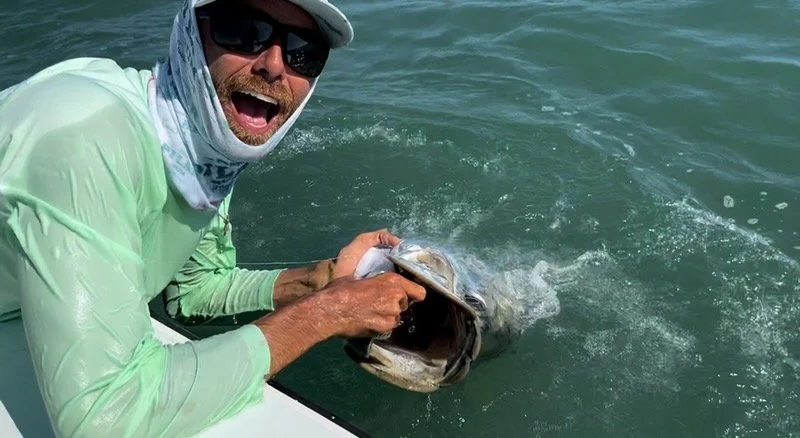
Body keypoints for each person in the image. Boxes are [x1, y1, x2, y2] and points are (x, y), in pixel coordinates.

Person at [0, 0, 426, 436]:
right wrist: (326, 314)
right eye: (244, 30)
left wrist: (323, 280)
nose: (275, 65)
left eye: (304, 51)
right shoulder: (86, 135)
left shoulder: (201, 146)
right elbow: (104, 420)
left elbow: (196, 290)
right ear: (190, 33)